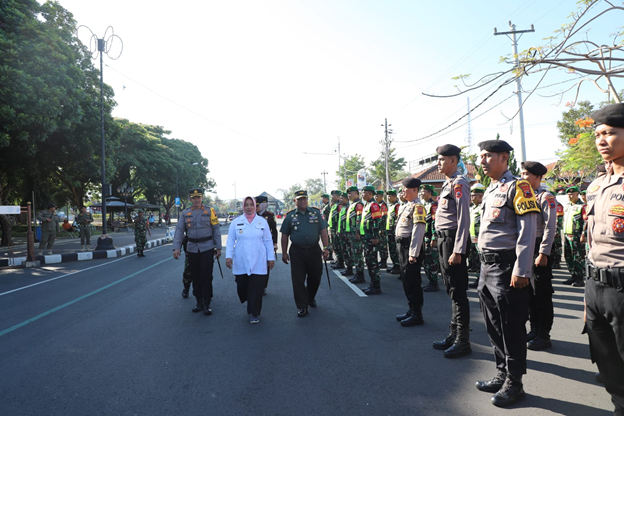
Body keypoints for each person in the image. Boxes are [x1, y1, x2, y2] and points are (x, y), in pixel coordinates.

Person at [473, 139, 538, 407]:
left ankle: (515, 382)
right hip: (486, 267)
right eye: (481, 156)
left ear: (503, 157)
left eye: (487, 156)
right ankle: (502, 372)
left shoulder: (518, 187)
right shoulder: (490, 189)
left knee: (511, 326)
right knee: (493, 324)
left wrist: (522, 269)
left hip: (507, 267)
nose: (482, 161)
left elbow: (528, 230)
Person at [584, 102, 624, 415]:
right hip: (596, 286)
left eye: (608, 133)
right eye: (598, 133)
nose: (600, 140)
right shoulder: (599, 184)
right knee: (607, 361)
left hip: (622, 288)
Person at [431, 144, 472, 358]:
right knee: (451, 290)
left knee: (458, 291)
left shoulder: (459, 183)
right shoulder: (447, 184)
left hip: (452, 240)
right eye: (438, 159)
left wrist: (458, 249)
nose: (438, 163)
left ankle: (462, 340)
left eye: (442, 159)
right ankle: (453, 333)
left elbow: (464, 218)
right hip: (443, 239)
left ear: (454, 161)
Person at [520, 162, 557, 351]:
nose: (522, 177)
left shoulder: (546, 197)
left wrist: (543, 252)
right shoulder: (525, 197)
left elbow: (550, 226)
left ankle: (544, 335)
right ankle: (534, 329)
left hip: (538, 248)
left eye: (526, 174)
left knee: (541, 293)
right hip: (526, 249)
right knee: (529, 294)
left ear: (537, 177)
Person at [172, 188, 222, 315]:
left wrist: (219, 247)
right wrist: (176, 247)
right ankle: (198, 301)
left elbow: (216, 229)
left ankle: (207, 302)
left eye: (198, 197)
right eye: (194, 198)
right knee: (196, 276)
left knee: (206, 275)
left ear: (202, 198)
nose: (196, 200)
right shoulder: (185, 213)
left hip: (207, 247)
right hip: (192, 248)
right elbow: (179, 231)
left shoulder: (210, 211)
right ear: (190, 199)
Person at [280, 190, 330, 317]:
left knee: (316, 277)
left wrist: (326, 247)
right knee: (298, 280)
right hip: (297, 251)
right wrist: (284, 252)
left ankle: (310, 297)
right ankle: (302, 306)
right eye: (300, 199)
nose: (302, 201)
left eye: (304, 199)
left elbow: (323, 231)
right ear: (295, 201)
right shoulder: (290, 216)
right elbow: (284, 235)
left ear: (307, 200)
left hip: (314, 250)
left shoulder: (316, 213)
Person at [226, 197, 275, 323]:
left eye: (251, 205)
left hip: (259, 259)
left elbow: (268, 241)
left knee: (257, 287)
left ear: (255, 206)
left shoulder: (262, 222)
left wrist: (271, 258)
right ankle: (249, 300)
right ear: (243, 206)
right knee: (242, 286)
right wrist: (228, 256)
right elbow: (230, 240)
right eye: (246, 205)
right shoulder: (236, 222)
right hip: (241, 259)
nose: (249, 207)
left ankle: (254, 312)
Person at [394, 177, 426, 326]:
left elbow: (418, 231)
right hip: (402, 246)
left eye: (405, 189)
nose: (402, 192)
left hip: (410, 247)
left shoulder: (418, 207)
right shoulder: (406, 206)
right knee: (406, 279)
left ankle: (417, 314)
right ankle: (411, 309)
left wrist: (414, 252)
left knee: (413, 280)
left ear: (414, 190)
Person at [360, 186, 383, 295]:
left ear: (369, 193)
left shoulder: (374, 205)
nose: (362, 195)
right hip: (366, 238)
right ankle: (372, 284)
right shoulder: (367, 204)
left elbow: (377, 221)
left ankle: (376, 286)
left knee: (373, 262)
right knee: (369, 261)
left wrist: (375, 237)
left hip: (371, 238)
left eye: (364, 193)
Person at [562, 185, 586, 287]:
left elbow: (586, 221)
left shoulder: (582, 206)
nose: (570, 196)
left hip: (577, 236)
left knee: (578, 257)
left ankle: (580, 278)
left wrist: (583, 234)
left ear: (577, 194)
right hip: (567, 235)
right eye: (568, 194)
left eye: (572, 194)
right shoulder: (567, 206)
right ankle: (573, 275)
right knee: (568, 256)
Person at [255, 195, 278, 295]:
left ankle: (263, 286)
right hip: (255, 245)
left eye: (258, 204)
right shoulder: (251, 215)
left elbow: (274, 230)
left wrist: (275, 243)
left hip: (266, 245)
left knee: (266, 266)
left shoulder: (270, 215)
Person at [420, 184, 440, 292]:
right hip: (424, 237)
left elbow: (435, 222)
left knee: (432, 260)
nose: (421, 193)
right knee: (426, 260)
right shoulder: (424, 205)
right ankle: (430, 281)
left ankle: (434, 283)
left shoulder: (433, 206)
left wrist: (434, 237)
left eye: (424, 191)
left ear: (429, 193)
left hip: (430, 237)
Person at [343, 186, 365, 283]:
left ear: (356, 193)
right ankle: (357, 274)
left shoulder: (359, 204)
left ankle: (360, 275)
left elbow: (359, 219)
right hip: (351, 234)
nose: (348, 195)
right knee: (354, 254)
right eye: (348, 194)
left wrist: (357, 232)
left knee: (358, 255)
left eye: (350, 193)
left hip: (355, 234)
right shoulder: (352, 204)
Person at [468, 183, 486, 288]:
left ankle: (480, 279)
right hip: (472, 237)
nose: (472, 197)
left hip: (480, 238)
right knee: (475, 259)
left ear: (480, 196)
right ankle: (477, 276)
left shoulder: (482, 207)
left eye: (474, 195)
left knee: (480, 260)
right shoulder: (472, 208)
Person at [385, 189, 401, 274]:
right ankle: (395, 265)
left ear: (394, 196)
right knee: (391, 249)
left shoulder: (397, 206)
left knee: (395, 250)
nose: (388, 197)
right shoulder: (391, 206)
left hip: (394, 231)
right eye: (387, 196)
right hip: (389, 231)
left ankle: (398, 266)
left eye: (390, 196)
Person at [328, 190, 344, 269]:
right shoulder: (334, 205)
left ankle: (340, 262)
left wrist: (338, 229)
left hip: (336, 229)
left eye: (333, 195)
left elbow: (340, 218)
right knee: (334, 246)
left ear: (338, 196)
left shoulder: (339, 205)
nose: (332, 197)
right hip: (332, 229)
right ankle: (338, 260)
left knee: (338, 246)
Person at [374, 190, 389, 268]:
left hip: (382, 229)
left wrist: (382, 228)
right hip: (379, 228)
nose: (376, 197)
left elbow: (383, 217)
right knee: (380, 245)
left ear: (381, 197)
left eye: (377, 196)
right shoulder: (377, 204)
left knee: (383, 245)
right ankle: (382, 261)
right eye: (375, 196)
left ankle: (384, 261)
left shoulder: (383, 205)